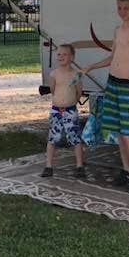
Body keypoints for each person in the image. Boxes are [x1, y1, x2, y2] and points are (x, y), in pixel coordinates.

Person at [82, 0, 129, 194]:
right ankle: (126, 170)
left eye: (126, 8)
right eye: (119, 8)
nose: (122, 12)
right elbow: (112, 58)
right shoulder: (117, 30)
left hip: (128, 85)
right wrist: (91, 66)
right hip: (113, 83)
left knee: (128, 132)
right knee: (119, 131)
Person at [41, 43, 86, 178]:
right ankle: (48, 166)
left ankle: (79, 165)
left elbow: (79, 92)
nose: (61, 57)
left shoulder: (75, 74)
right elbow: (53, 90)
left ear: (72, 57)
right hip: (56, 110)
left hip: (70, 111)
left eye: (65, 54)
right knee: (52, 138)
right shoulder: (54, 74)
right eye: (59, 54)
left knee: (75, 138)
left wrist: (71, 102)